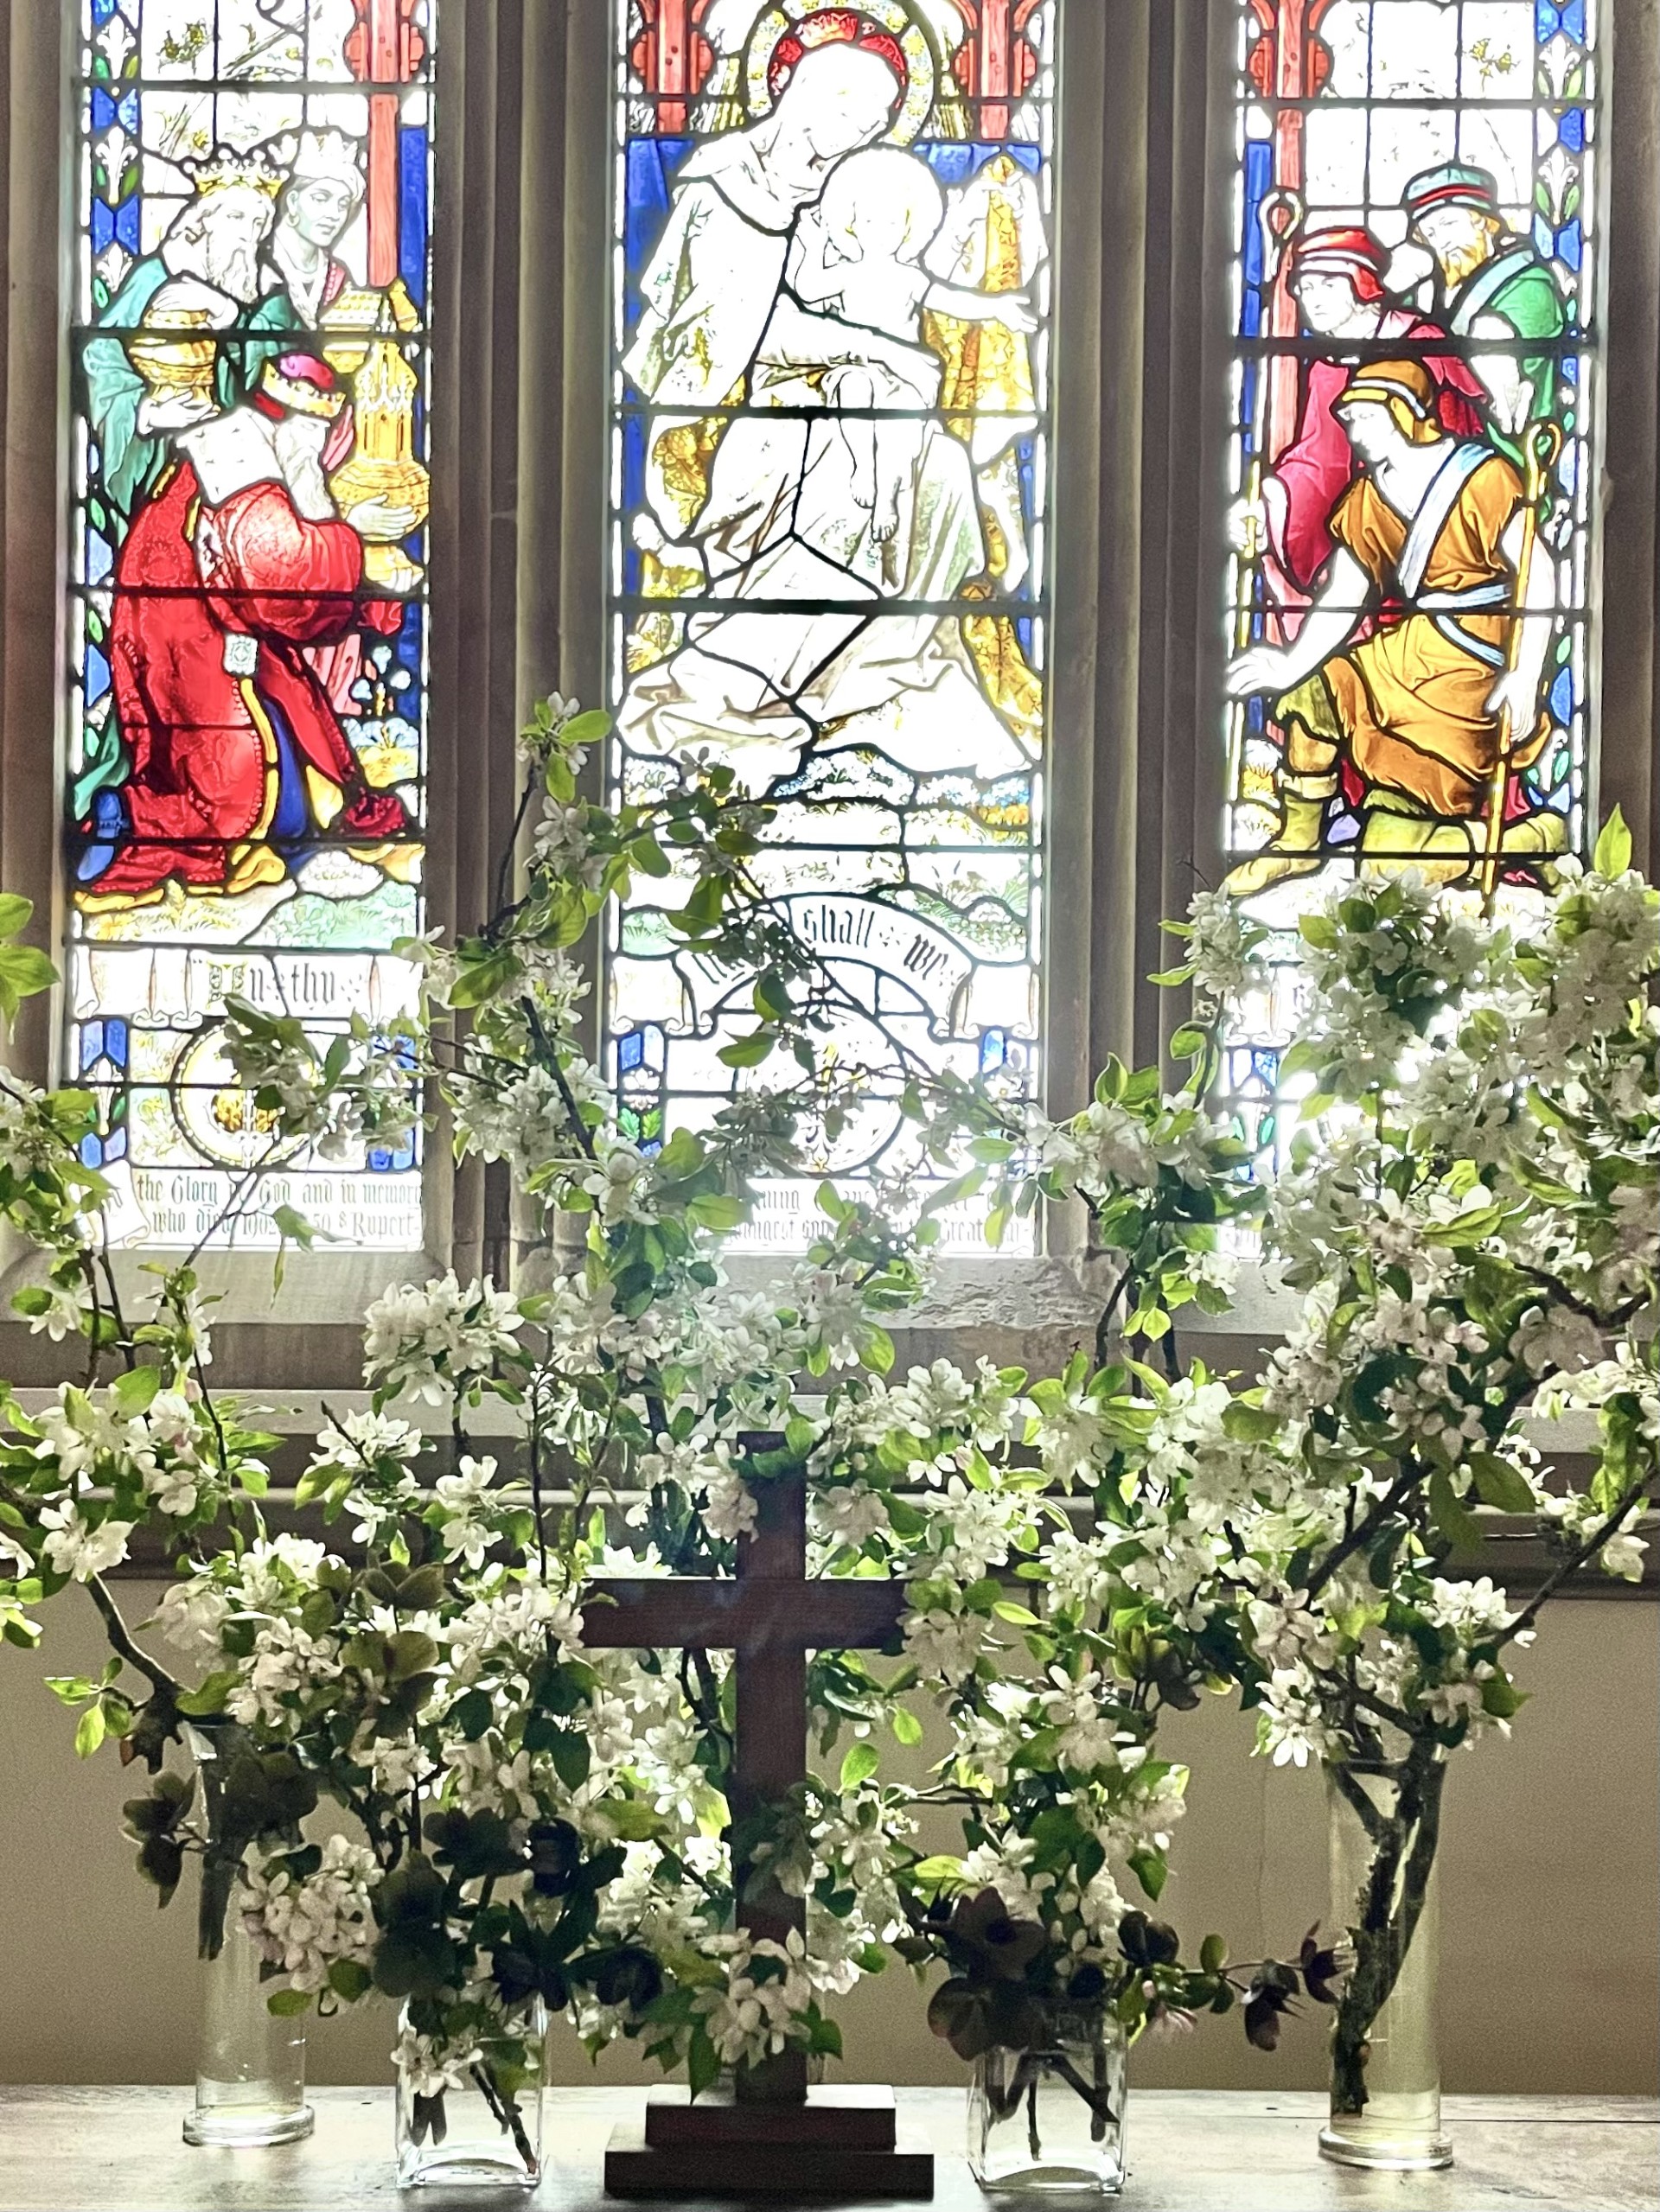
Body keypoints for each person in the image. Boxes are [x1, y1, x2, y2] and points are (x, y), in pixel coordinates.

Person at [619, 34, 1031, 790]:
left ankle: (885, 661)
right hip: (749, 415)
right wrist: (871, 355)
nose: (864, 138)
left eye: (877, 127)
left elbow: (909, 291)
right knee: (844, 491)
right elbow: (737, 336)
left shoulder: (847, 194)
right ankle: (738, 678)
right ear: (814, 98)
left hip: (848, 403)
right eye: (857, 118)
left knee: (940, 468)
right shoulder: (726, 189)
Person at [77, 354, 417, 908]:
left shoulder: (238, 448)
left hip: (195, 630)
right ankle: (132, 823)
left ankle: (153, 816)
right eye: (315, 435)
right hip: (191, 640)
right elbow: (280, 575)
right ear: (294, 423)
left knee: (292, 725)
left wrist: (355, 583)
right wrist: (357, 554)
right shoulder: (239, 459)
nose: (318, 452)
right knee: (233, 794)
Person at [1224, 359, 1564, 889]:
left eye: (1362, 417)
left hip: (1473, 662)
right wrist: (1290, 662)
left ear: (1402, 412)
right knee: (1317, 690)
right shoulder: (1369, 498)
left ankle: (1526, 838)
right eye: (1349, 418)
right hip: (1409, 652)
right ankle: (1298, 842)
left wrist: (1524, 674)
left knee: (1387, 866)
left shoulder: (1483, 476)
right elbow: (1345, 591)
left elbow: (1538, 575)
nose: (1352, 431)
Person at [790, 146, 1035, 545]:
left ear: (906, 229)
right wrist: (815, 241)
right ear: (852, 226)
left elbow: (952, 301)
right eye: (868, 220)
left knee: (899, 414)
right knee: (853, 389)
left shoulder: (909, 277)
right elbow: (806, 287)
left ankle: (886, 495)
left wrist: (996, 309)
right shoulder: (846, 273)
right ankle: (862, 467)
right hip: (856, 364)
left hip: (908, 371)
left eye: (890, 222)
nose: (878, 229)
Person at [1248, 226, 1488, 605]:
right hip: (1362, 534)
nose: (1315, 300)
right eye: (1306, 289)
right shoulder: (1327, 371)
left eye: (1328, 285)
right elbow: (1317, 462)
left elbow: (1461, 430)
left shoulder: (1422, 343)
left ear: (1362, 283)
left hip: (1438, 522)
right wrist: (1275, 503)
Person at [80, 155, 288, 529]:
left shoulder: (269, 293)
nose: (248, 234)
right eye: (235, 218)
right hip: (167, 460)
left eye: (258, 222)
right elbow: (101, 354)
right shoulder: (155, 277)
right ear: (204, 219)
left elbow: (286, 374)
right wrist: (146, 414)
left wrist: (230, 316)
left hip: (251, 475)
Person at [1402, 163, 1567, 443]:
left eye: (1448, 224)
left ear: (1481, 219)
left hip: (1515, 445)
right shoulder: (1426, 294)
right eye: (1430, 233)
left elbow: (1516, 380)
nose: (1441, 241)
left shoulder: (1528, 284)